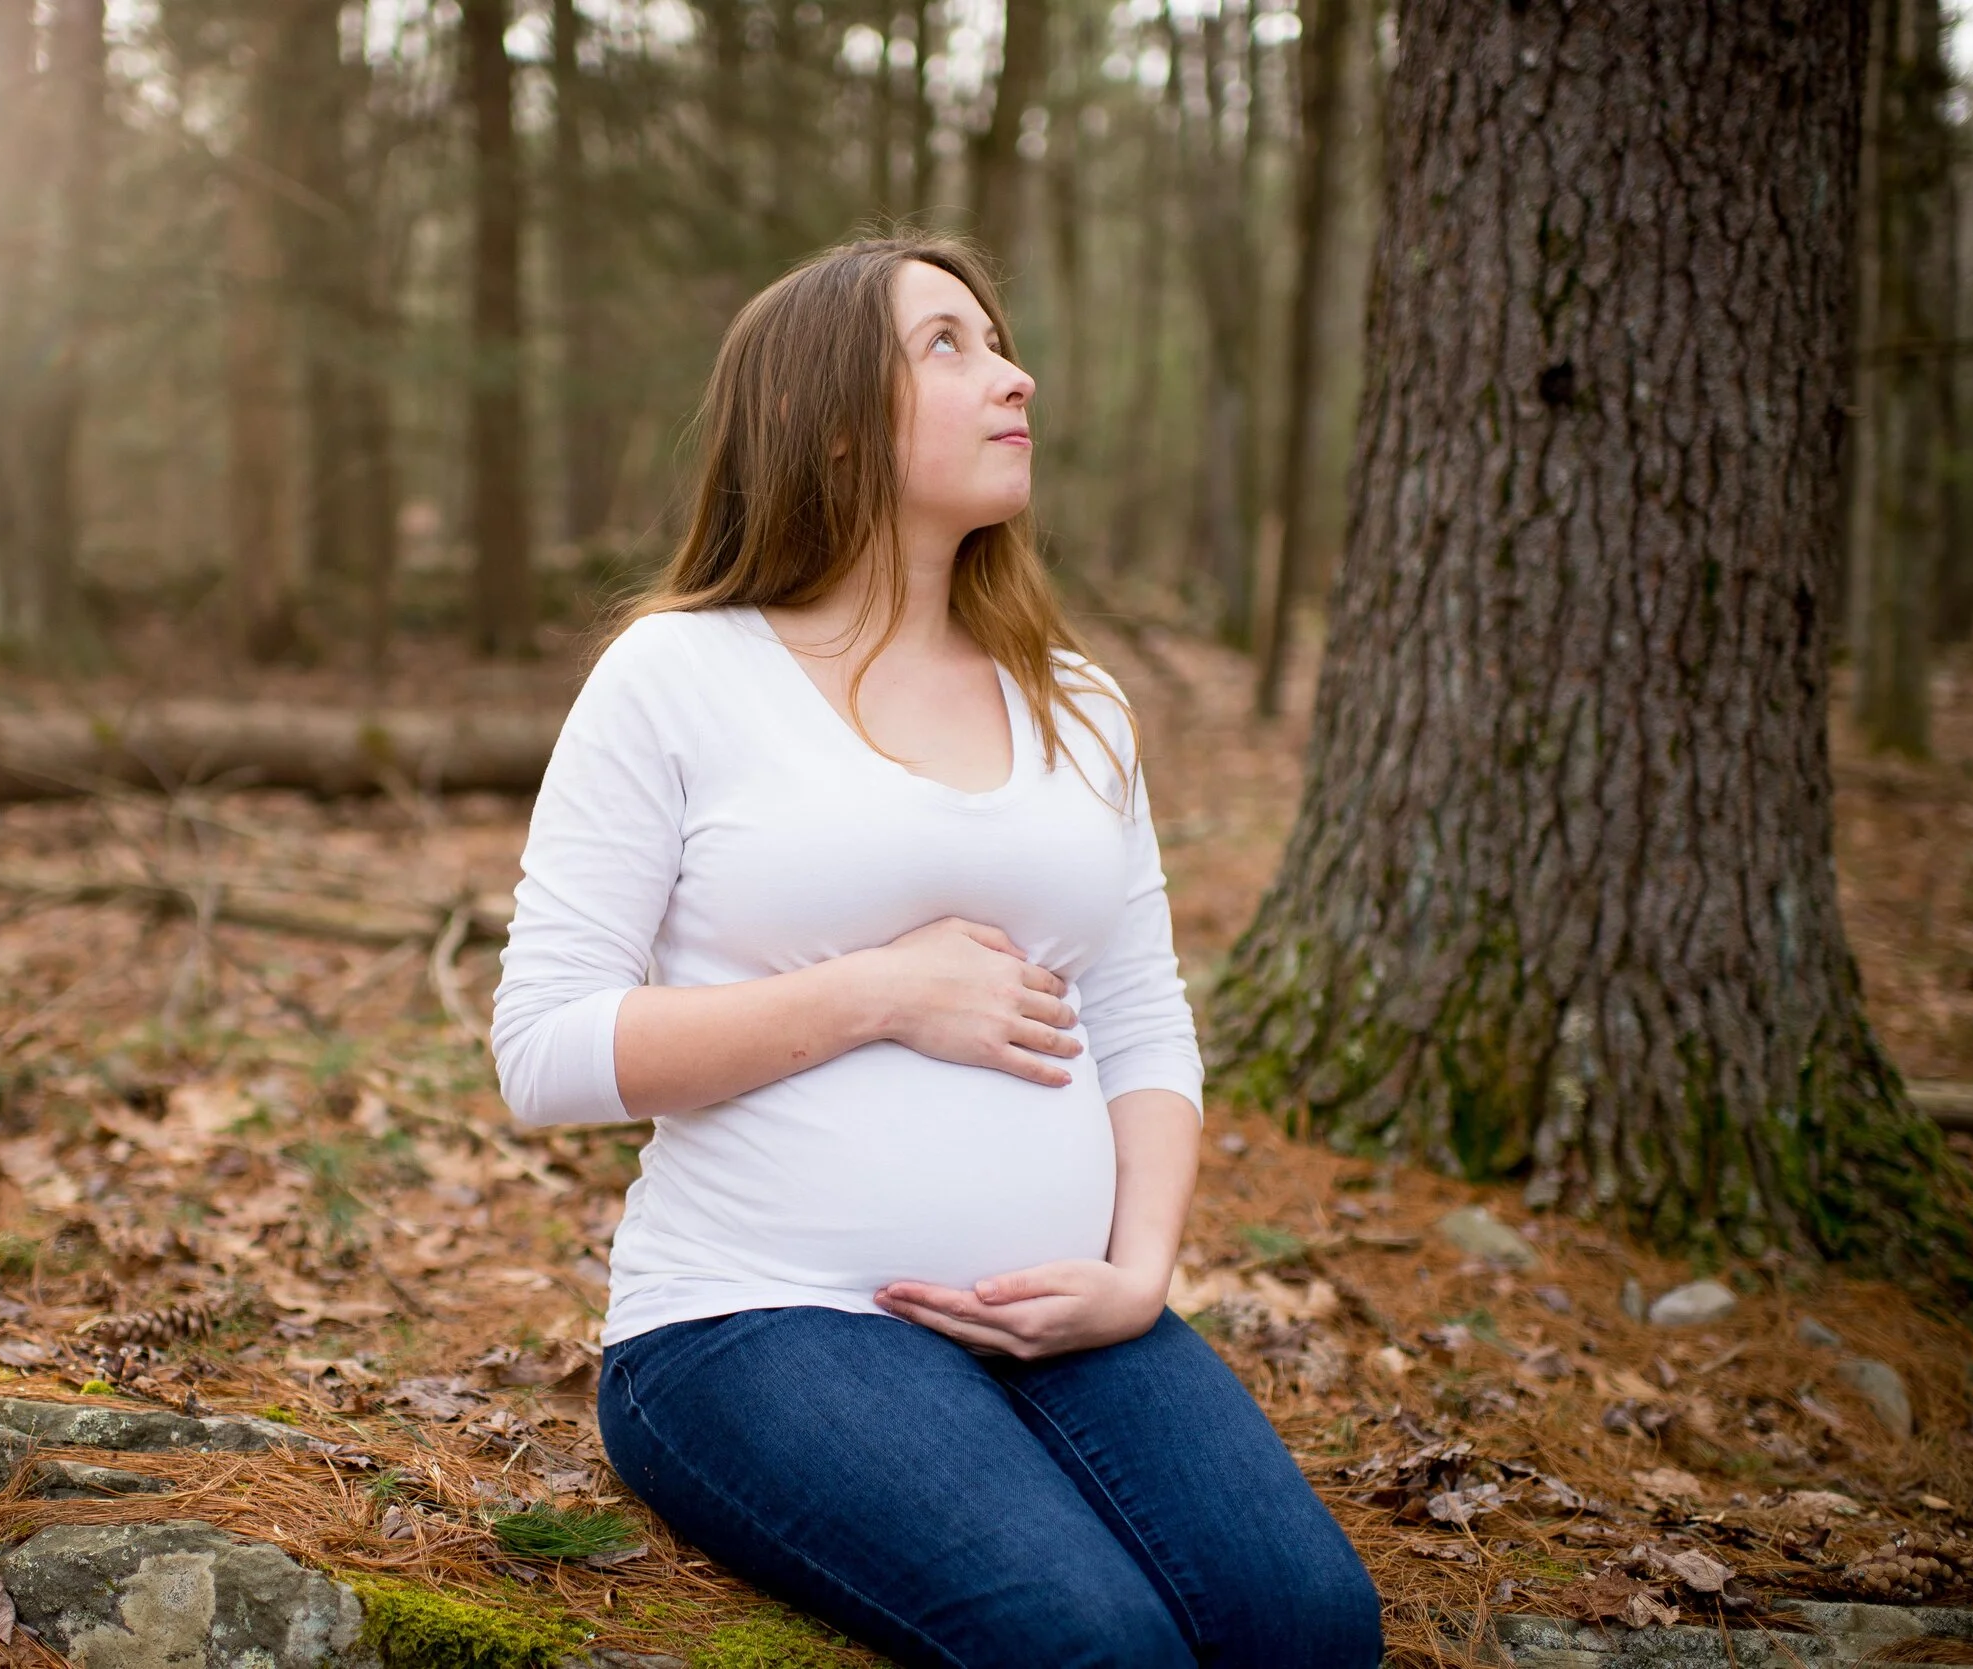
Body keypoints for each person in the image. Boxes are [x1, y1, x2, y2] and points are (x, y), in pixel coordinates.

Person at [490, 233, 1383, 1669]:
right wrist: (876, 994)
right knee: (1093, 1646)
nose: (1015, 376)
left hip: (1069, 1313)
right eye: (949, 347)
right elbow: (543, 1052)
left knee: (1312, 1627)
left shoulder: (1079, 700)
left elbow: (1145, 1020)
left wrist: (1139, 1272)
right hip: (754, 1318)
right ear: (831, 427)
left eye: (1002, 341)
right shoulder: (680, 675)